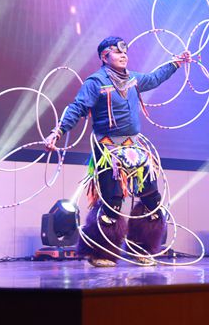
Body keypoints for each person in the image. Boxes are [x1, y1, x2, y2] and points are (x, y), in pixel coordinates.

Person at [45, 36, 190, 267]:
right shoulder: (95, 82)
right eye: (117, 52)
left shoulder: (132, 79)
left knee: (152, 200)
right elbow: (77, 107)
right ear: (105, 57)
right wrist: (57, 132)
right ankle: (99, 253)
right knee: (112, 202)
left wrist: (176, 63)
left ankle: (142, 249)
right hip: (108, 150)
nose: (123, 55)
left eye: (125, 52)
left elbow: (154, 78)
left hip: (135, 149)